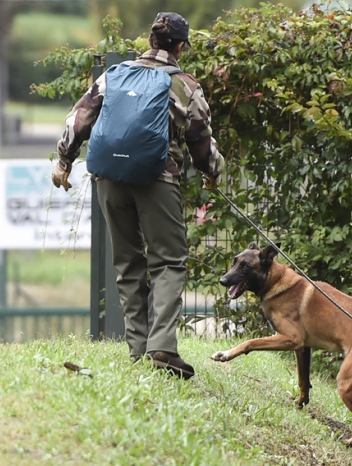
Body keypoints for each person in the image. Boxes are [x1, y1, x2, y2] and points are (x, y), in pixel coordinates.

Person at [51, 12, 225, 379]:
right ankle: (161, 347)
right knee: (169, 261)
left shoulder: (113, 76)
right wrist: (213, 173)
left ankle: (137, 349)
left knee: (128, 262)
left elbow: (79, 118)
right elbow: (201, 141)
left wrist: (64, 160)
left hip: (109, 178)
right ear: (180, 46)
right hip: (157, 180)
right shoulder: (185, 85)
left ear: (150, 41)